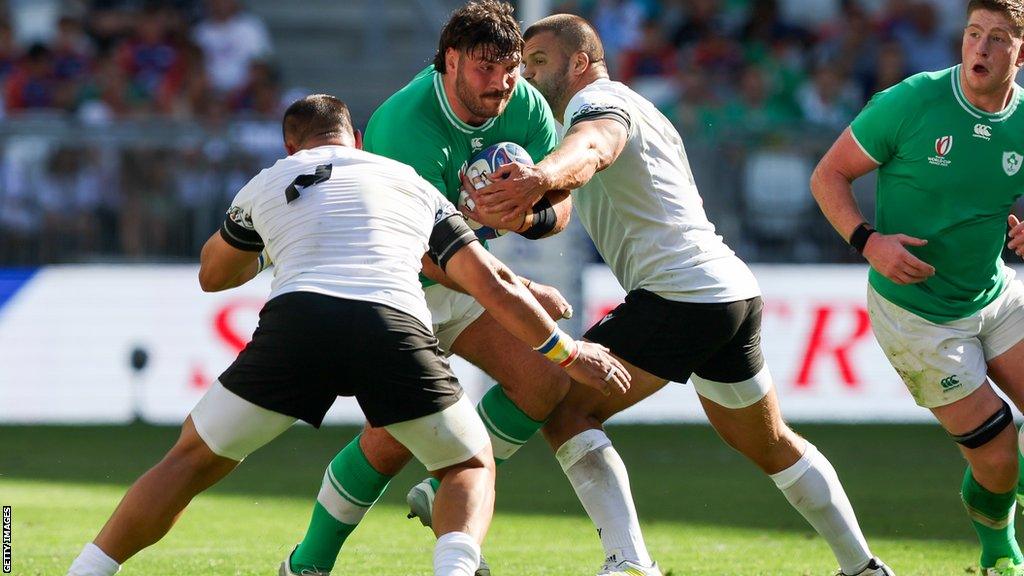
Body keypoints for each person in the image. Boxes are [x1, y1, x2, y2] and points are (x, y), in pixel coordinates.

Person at [64, 94, 628, 576]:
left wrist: (272, 242)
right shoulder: (407, 182)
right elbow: (492, 283)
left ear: (292, 148)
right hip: (392, 326)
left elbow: (213, 275)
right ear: (356, 139)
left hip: (297, 324)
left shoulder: (271, 181)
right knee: (465, 465)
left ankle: (86, 569)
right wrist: (567, 351)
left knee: (189, 461)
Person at [465, 14, 894, 576]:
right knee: (770, 444)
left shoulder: (600, 101)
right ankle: (862, 566)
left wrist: (540, 177)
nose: (527, 74)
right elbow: (579, 188)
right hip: (728, 293)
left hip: (680, 292)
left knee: (567, 407)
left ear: (579, 62)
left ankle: (630, 562)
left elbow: (594, 147)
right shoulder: (626, 111)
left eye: (538, 61)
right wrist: (525, 209)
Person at [282, 3, 578, 575]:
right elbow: (421, 250)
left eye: (510, 68)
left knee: (544, 380)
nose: (501, 83)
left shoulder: (525, 105)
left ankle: (443, 494)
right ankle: (307, 563)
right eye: (484, 69)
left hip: (467, 279)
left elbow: (560, 203)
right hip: (398, 287)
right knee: (391, 440)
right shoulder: (405, 124)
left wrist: (527, 218)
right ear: (450, 61)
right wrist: (514, 286)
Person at [810, 1, 1024, 574]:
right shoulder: (913, 101)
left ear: (1019, 54)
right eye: (973, 34)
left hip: (994, 295)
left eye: (997, 39)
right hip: (918, 316)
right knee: (1001, 455)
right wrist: (868, 240)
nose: (980, 48)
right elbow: (827, 174)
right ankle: (998, 550)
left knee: (1005, 456)